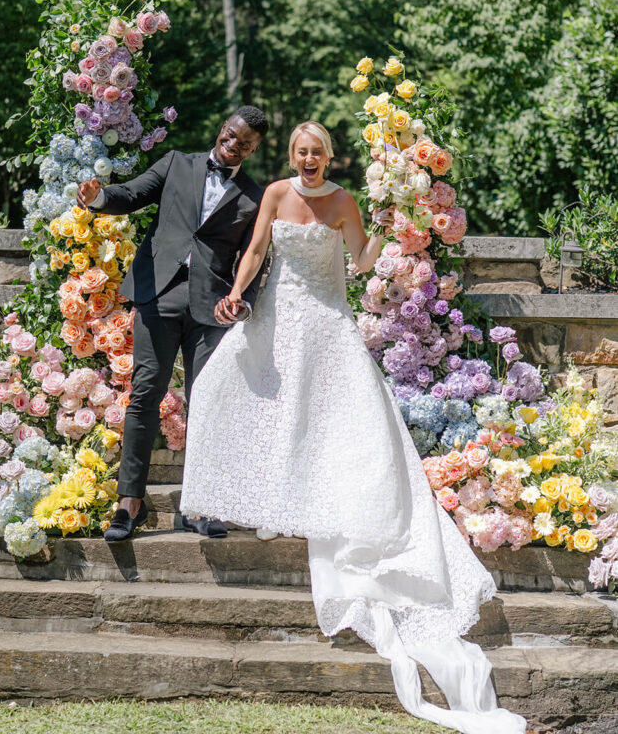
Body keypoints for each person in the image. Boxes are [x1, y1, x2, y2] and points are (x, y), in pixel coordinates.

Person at [181, 121, 527, 734]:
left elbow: (362, 257)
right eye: (300, 152)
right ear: (292, 157)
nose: (308, 159)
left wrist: (397, 241)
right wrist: (237, 293)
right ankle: (268, 489)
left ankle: (332, 490)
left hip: (329, 322)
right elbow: (258, 250)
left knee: (338, 416)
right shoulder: (276, 195)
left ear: (329, 157)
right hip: (280, 317)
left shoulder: (344, 201)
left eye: (316, 152)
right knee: (222, 388)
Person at [77, 106, 268, 541]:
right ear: (222, 129)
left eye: (243, 142)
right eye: (229, 133)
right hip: (157, 294)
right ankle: (130, 503)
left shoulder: (256, 198)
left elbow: (255, 259)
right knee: (146, 391)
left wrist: (242, 304)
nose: (232, 143)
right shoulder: (177, 163)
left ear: (253, 150)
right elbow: (129, 194)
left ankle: (199, 506)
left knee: (206, 403)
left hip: (211, 308)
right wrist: (98, 197)